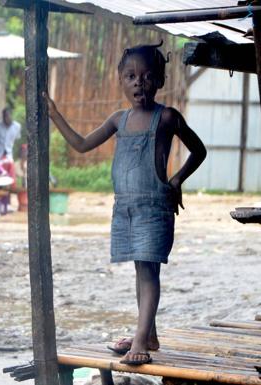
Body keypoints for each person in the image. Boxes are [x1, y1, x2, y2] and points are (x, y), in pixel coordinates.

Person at [42, 42, 206, 365]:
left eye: (147, 76)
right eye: (131, 76)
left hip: (155, 208)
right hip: (125, 210)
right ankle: (149, 334)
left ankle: (141, 339)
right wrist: (54, 114)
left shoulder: (168, 117)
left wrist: (176, 180)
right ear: (120, 79)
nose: (138, 83)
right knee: (140, 270)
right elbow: (81, 144)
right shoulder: (118, 120)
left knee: (148, 274)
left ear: (159, 80)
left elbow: (198, 151)